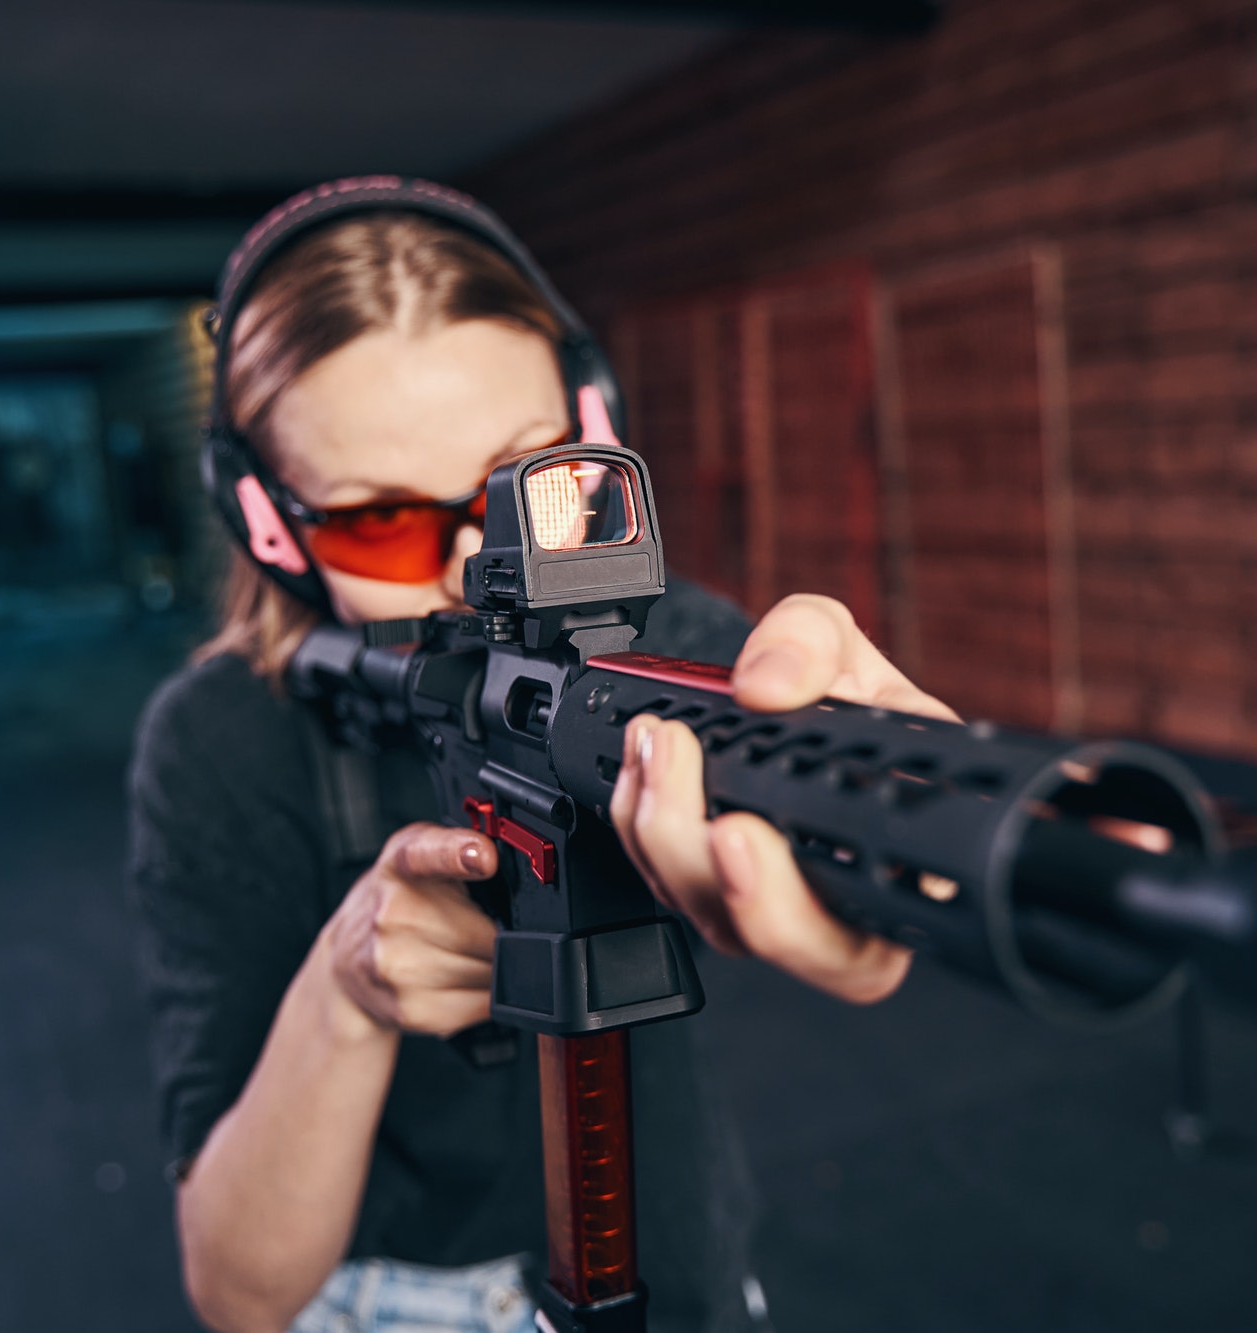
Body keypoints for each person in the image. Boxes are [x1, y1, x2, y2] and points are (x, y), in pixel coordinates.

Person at [127, 179, 954, 1333]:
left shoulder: (647, 639)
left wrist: (904, 810)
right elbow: (236, 1287)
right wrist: (348, 993)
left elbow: (822, 760)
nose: (478, 565)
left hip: (677, 1273)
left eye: (526, 486)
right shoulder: (221, 740)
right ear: (269, 524)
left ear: (594, 432)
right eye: (382, 520)